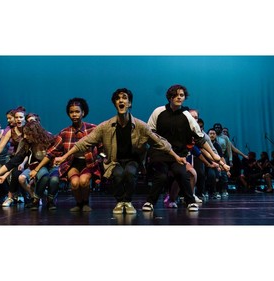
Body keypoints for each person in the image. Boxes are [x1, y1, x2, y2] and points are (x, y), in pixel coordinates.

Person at [54, 88, 185, 214]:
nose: (121, 100)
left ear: (129, 103)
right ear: (115, 104)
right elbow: (84, 142)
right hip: (114, 161)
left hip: (133, 160)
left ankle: (127, 202)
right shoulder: (106, 126)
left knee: (129, 172)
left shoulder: (140, 126)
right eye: (118, 99)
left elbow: (160, 142)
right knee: (117, 174)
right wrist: (64, 156)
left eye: (124, 98)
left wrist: (176, 157)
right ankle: (119, 202)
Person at [145, 84, 222, 212]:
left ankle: (190, 201)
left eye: (181, 95)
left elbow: (200, 138)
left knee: (182, 173)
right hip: (160, 154)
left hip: (179, 155)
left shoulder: (187, 116)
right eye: (175, 95)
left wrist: (213, 155)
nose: (179, 97)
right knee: (162, 176)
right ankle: (150, 202)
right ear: (169, 97)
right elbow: (149, 133)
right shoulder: (158, 112)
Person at [30, 98, 102, 212]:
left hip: (88, 164)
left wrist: (104, 159)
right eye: (71, 112)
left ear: (83, 113)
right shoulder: (64, 132)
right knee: (74, 183)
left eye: (77, 111)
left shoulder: (92, 128)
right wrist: (36, 169)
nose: (74, 114)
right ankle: (79, 204)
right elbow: (50, 152)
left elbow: (102, 146)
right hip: (72, 163)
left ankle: (85, 203)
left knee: (83, 181)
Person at [0, 121, 53, 209]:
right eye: (24, 134)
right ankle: (34, 197)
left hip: (49, 166)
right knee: (21, 178)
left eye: (27, 134)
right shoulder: (27, 143)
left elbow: (54, 154)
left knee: (47, 177)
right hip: (35, 166)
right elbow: (12, 162)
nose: (25, 136)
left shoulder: (48, 140)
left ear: (34, 133)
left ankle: (48, 199)